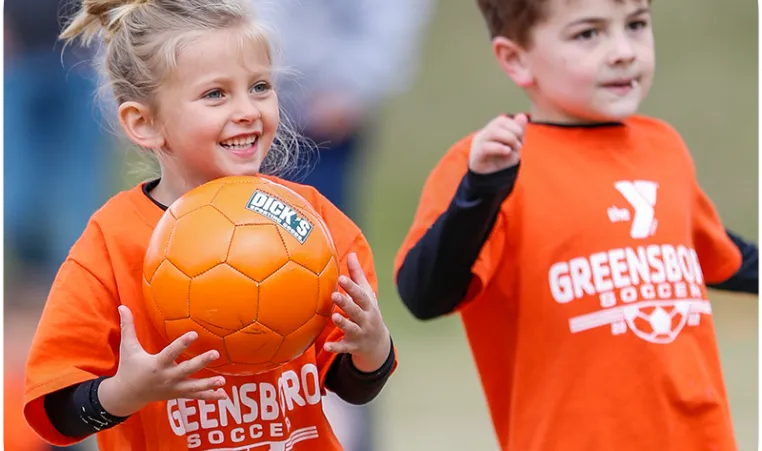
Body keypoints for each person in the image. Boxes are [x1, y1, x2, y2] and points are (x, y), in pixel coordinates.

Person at [23, 0, 396, 450]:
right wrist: (124, 393)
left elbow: (352, 385)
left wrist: (373, 348)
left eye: (259, 87)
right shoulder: (111, 243)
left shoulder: (312, 221)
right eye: (216, 94)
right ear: (144, 123)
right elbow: (57, 410)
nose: (247, 110)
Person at [394, 0, 760, 450]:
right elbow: (424, 293)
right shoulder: (491, 165)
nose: (624, 50)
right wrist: (482, 190)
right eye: (589, 34)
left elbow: (718, 253)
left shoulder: (664, 147)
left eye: (637, 25)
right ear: (516, 59)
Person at [252, 2, 433, 449]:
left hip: (316, 121)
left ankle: (340, 438)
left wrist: (354, 85)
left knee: (323, 298)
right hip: (227, 114)